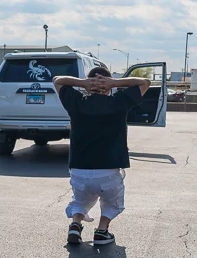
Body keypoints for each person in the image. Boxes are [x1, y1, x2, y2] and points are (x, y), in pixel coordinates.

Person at [53, 67, 150, 246]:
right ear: (109, 86)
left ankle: (75, 224)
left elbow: (57, 80)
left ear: (87, 86)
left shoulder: (76, 102)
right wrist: (114, 82)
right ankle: (102, 231)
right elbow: (145, 83)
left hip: (79, 170)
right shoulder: (119, 102)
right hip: (109, 171)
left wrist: (82, 83)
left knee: (81, 200)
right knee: (112, 203)